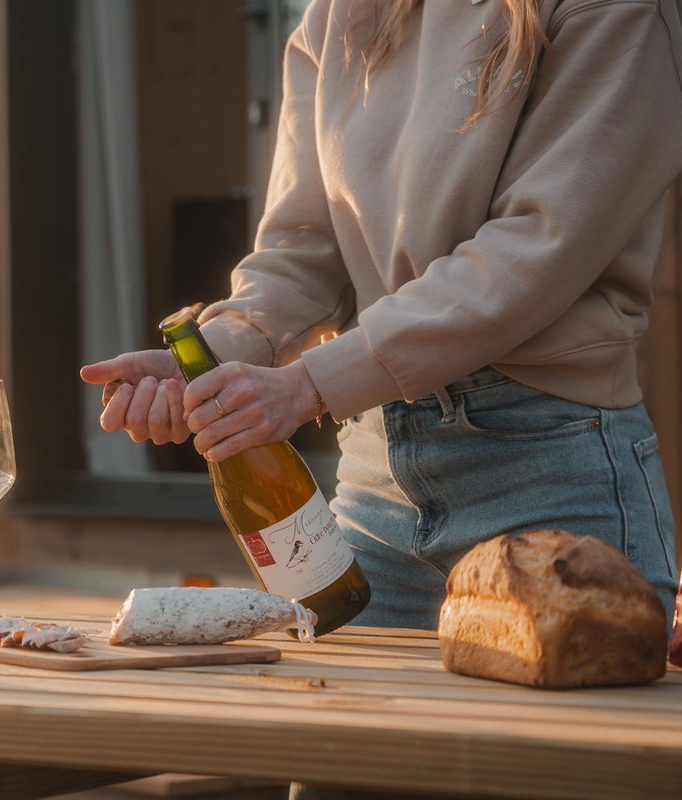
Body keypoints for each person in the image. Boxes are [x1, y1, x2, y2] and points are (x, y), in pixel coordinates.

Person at [81, 0, 682, 638]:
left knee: (561, 739)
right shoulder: (336, 17)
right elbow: (302, 252)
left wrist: (310, 384)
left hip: (550, 478)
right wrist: (206, 357)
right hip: (375, 486)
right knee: (338, 734)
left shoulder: (617, 10)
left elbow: (536, 252)